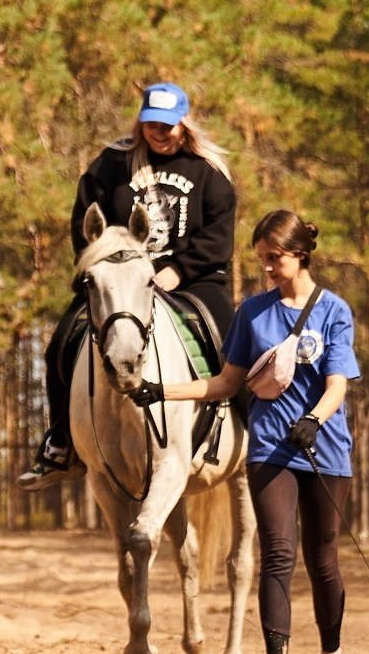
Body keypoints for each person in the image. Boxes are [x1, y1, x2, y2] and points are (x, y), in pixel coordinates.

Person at [148, 209, 358, 654]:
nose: (266, 267)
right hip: (269, 451)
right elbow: (225, 382)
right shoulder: (251, 313)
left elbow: (338, 383)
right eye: (262, 258)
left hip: (325, 450)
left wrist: (315, 419)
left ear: (300, 254)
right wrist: (159, 390)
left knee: (323, 557)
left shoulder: (334, 311)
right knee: (277, 554)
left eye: (274, 257)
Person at [17, 82, 236, 487]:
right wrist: (106, 268)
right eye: (151, 122)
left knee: (232, 340)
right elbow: (86, 220)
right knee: (60, 343)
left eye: (167, 125)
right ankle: (61, 442)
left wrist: (178, 270)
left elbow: (219, 238)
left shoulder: (208, 172)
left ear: (183, 125)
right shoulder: (110, 165)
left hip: (191, 280)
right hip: (120, 282)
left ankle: (254, 438)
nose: (159, 131)